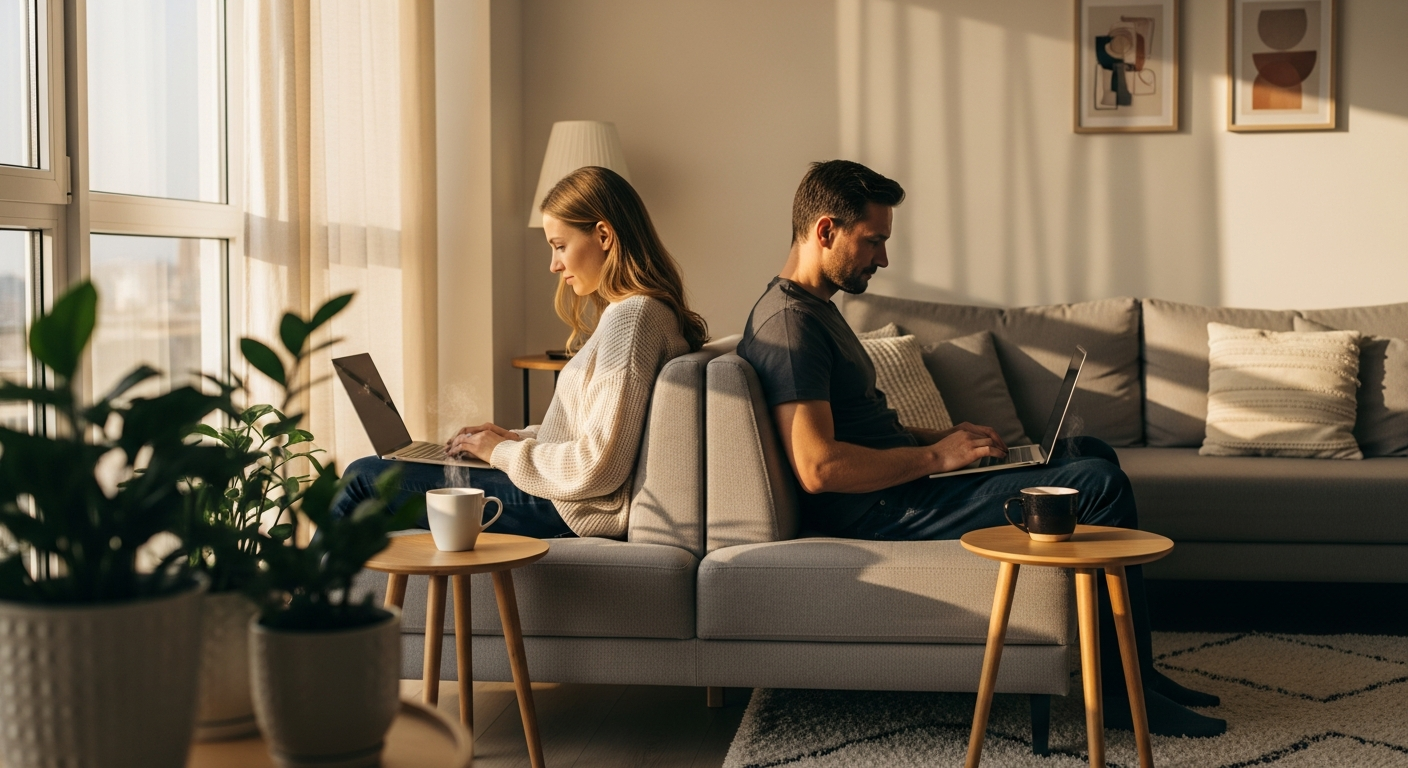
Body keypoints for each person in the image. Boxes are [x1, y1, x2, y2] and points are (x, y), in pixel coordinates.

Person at [735, 159, 1225, 738]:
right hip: (883, 508)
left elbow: (857, 433)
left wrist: (944, 439)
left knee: (1090, 450)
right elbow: (819, 468)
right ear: (825, 231)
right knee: (1097, 485)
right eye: (874, 241)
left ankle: (1134, 672)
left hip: (904, 484)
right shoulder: (791, 326)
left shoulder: (815, 310)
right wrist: (936, 459)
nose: (884, 259)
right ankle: (1123, 697)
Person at [333, 166, 708, 539]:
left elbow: (597, 467)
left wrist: (500, 454)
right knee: (376, 473)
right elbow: (592, 435)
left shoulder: (634, 317)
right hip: (558, 496)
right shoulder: (639, 312)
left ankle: (299, 598)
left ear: (604, 235)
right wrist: (514, 440)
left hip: (566, 509)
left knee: (363, 478)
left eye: (560, 246)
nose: (554, 265)